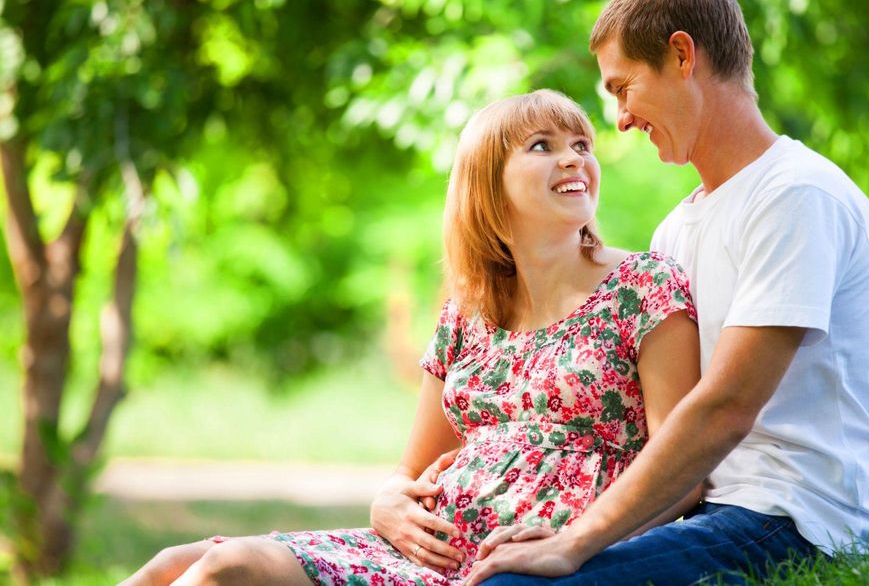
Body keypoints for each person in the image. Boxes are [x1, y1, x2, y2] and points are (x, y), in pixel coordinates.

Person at [120, 89, 702, 586]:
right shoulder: (468, 313)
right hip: (424, 551)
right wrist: (386, 503)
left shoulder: (644, 287)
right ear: (489, 184)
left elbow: (685, 470)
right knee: (174, 563)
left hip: (510, 565)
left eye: (581, 145)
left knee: (232, 570)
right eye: (542, 146)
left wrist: (580, 539)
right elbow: (408, 473)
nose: (574, 159)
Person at [465, 0, 869, 586]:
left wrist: (575, 544)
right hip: (704, 507)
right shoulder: (679, 228)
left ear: (680, 55)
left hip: (798, 518)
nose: (618, 118)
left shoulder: (797, 196)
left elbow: (726, 407)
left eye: (624, 88)